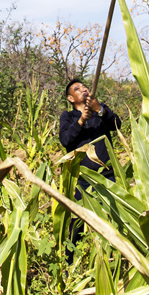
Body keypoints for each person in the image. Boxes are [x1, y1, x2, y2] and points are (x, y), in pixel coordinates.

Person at [58, 78, 121, 261]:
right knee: (77, 221)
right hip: (82, 179)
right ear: (71, 98)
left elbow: (117, 124)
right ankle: (71, 263)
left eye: (84, 87)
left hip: (108, 176)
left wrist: (99, 110)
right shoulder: (67, 117)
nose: (84, 89)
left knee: (113, 218)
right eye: (78, 89)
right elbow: (66, 141)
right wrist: (80, 121)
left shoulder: (100, 111)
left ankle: (112, 258)